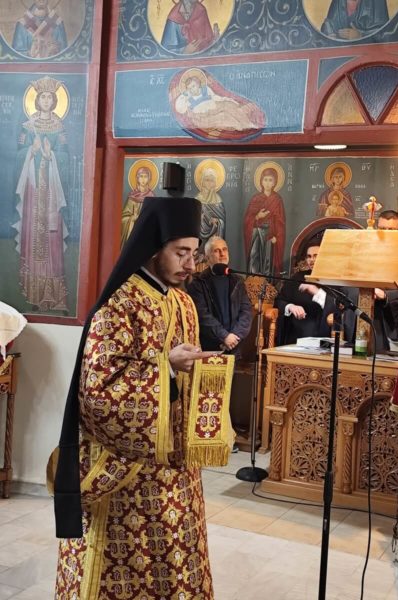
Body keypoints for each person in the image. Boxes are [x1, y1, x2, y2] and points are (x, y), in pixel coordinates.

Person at [50, 197, 233, 599]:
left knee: (175, 567)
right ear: (154, 248)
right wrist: (166, 368)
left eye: (194, 253)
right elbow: (97, 391)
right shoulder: (118, 304)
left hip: (177, 471)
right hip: (126, 477)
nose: (191, 264)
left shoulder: (183, 301)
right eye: (181, 253)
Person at [13, 76, 69, 312]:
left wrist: (50, 155)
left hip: (52, 192)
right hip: (33, 190)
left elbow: (66, 158)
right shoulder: (28, 126)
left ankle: (53, 296)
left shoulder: (60, 127)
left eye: (49, 97)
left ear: (54, 100)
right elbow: (17, 158)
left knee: (51, 237)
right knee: (33, 234)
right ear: (37, 100)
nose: (46, 100)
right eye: (42, 97)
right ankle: (34, 294)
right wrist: (32, 152)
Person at [187, 236, 252, 357]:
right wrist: (224, 336)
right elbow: (202, 315)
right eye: (216, 251)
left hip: (234, 346)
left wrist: (235, 337)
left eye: (224, 249)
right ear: (207, 258)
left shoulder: (237, 280)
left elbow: (246, 311)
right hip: (208, 348)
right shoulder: (198, 282)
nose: (222, 254)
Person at [275, 242, 336, 344]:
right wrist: (290, 307)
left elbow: (337, 307)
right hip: (295, 335)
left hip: (321, 335)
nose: (312, 260)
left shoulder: (333, 279)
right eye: (309, 256)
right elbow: (279, 300)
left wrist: (317, 292)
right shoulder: (298, 277)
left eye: (316, 256)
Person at [174, 74, 262, 133]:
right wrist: (184, 96)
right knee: (224, 116)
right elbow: (180, 109)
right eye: (189, 88)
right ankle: (241, 127)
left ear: (198, 84)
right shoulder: (187, 98)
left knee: (228, 105)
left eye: (193, 86)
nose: (192, 89)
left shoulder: (206, 89)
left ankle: (247, 123)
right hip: (203, 117)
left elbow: (215, 97)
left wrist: (228, 100)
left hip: (214, 107)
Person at [375, 210, 398, 342]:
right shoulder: (367, 248)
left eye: (391, 230)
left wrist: (386, 295)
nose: (386, 233)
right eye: (382, 229)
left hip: (393, 309)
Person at [244, 167, 286, 276]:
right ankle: (254, 279)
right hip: (257, 234)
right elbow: (248, 220)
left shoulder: (277, 200)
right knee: (255, 256)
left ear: (274, 183)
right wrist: (257, 216)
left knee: (268, 260)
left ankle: (267, 281)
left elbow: (280, 222)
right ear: (261, 181)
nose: (267, 183)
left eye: (270, 180)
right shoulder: (256, 199)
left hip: (270, 236)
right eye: (265, 180)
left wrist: (277, 237)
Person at [321, 0, 389, 41]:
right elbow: (329, 23)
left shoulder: (377, 2)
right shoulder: (338, 1)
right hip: (341, 52)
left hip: (368, 53)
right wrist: (329, 34)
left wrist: (360, 35)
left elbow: (385, 33)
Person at [121, 165, 155, 247]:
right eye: (141, 176)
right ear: (137, 178)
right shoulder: (132, 197)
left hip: (145, 231)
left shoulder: (152, 197)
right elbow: (124, 218)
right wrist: (132, 219)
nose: (143, 179)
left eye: (145, 177)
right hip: (132, 231)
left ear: (149, 178)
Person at [196, 167, 226, 246]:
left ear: (215, 183)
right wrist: (199, 219)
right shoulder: (197, 199)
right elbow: (191, 221)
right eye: (207, 180)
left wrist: (217, 221)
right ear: (202, 182)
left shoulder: (218, 200)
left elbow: (222, 221)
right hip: (199, 238)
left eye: (212, 180)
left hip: (214, 236)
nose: (209, 183)